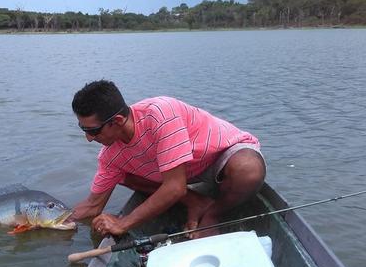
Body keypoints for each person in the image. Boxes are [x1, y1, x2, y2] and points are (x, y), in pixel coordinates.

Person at [70, 80, 266, 239]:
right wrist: (51, 220)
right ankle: (196, 202)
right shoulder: (109, 155)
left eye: (93, 130)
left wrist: (123, 223)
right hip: (180, 172)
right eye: (83, 129)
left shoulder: (160, 114)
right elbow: (93, 205)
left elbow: (175, 187)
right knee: (124, 176)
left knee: (248, 171)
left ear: (118, 121)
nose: (88, 138)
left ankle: (213, 214)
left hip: (219, 156)